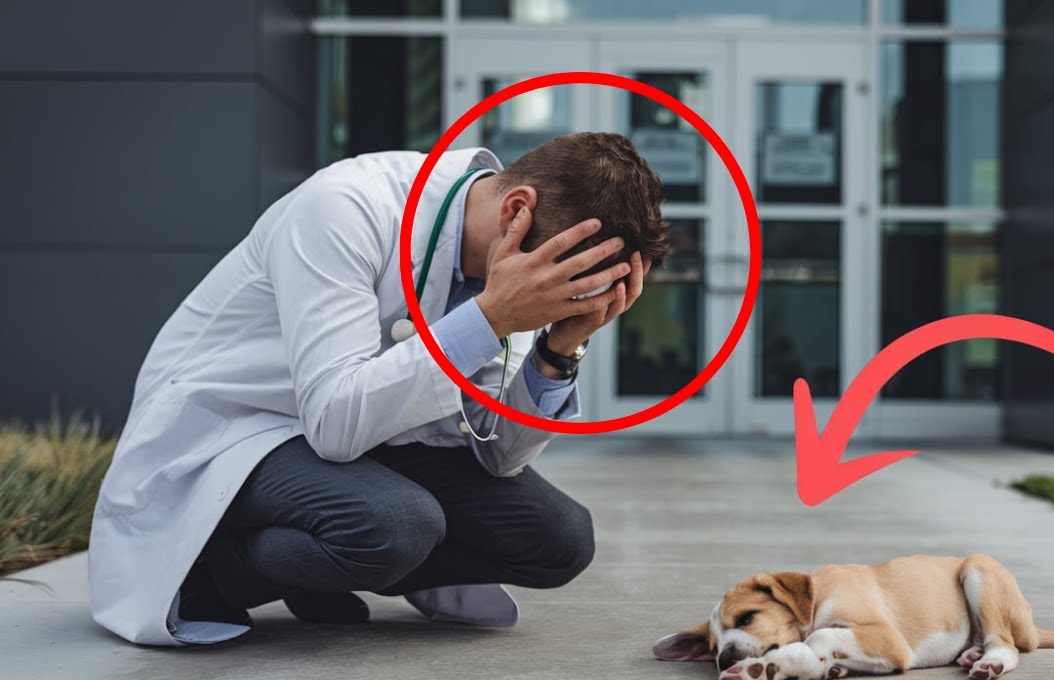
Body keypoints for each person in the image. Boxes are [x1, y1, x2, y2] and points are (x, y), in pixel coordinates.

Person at [88, 132, 671, 646]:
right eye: (572, 285)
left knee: (561, 539)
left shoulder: (507, 267)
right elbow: (335, 422)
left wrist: (557, 349)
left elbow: (497, 455)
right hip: (240, 428)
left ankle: (315, 565)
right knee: (398, 524)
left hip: (365, 436)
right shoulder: (344, 207)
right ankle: (214, 573)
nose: (567, 300)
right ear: (517, 210)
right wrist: (490, 319)